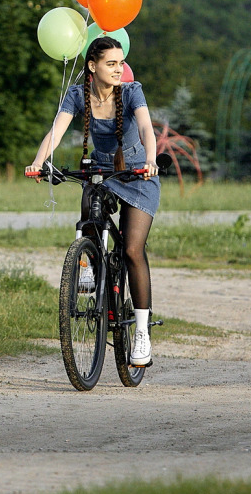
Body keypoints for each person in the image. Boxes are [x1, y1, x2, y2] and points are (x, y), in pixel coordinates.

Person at [25, 36, 160, 366]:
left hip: (137, 172)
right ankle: (86, 265)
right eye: (111, 63)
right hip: (101, 167)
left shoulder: (131, 91)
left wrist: (152, 159)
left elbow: (145, 128)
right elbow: (55, 132)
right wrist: (40, 161)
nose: (118, 69)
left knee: (131, 249)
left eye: (120, 63)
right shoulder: (77, 94)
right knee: (89, 209)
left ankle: (141, 333)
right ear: (92, 66)